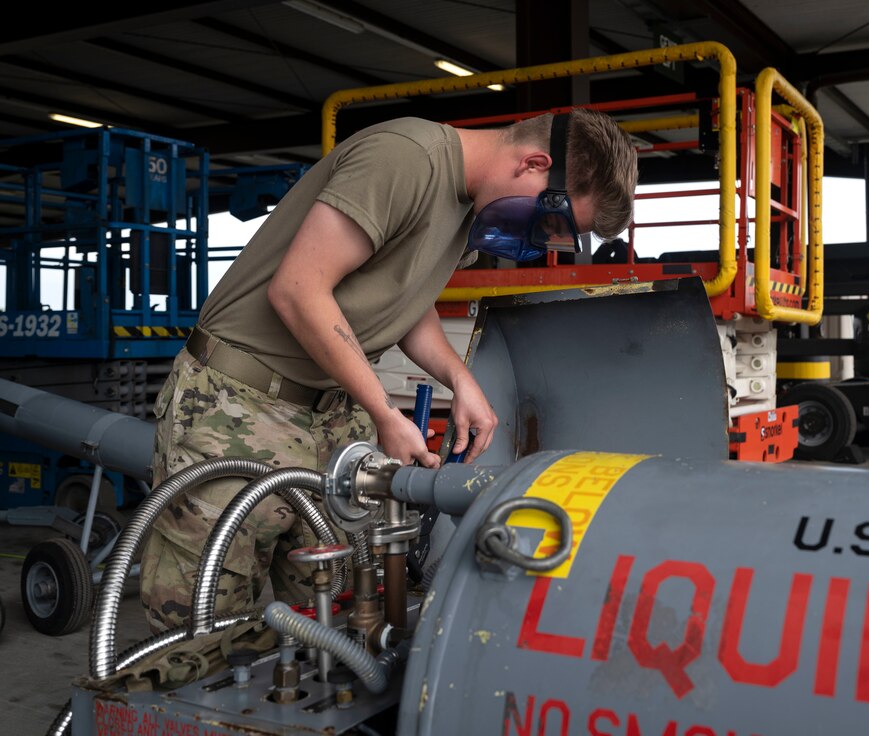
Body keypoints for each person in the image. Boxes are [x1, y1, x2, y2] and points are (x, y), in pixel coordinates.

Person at [139, 109, 639, 632]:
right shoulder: (407, 158)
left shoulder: (469, 207)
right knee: (196, 635)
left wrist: (460, 379)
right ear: (534, 164)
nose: (539, 235)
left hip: (331, 418)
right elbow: (298, 289)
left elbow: (406, 296)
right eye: (551, 220)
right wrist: (383, 410)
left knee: (344, 630)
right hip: (238, 405)